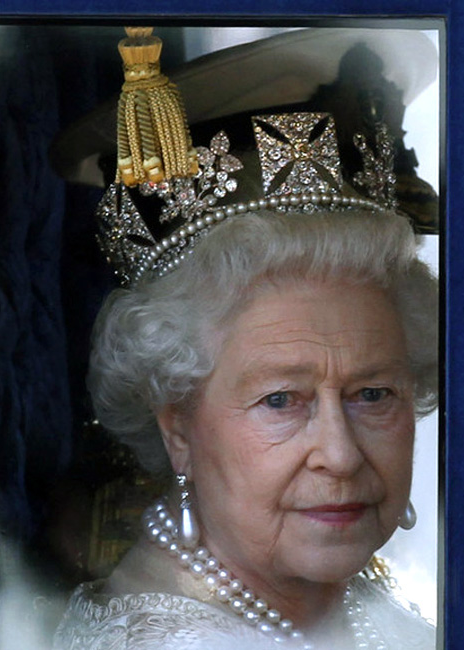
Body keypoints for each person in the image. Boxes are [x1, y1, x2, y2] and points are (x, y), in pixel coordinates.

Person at [52, 27, 438, 650]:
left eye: (373, 394)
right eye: (282, 400)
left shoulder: (331, 595)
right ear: (177, 425)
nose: (340, 456)